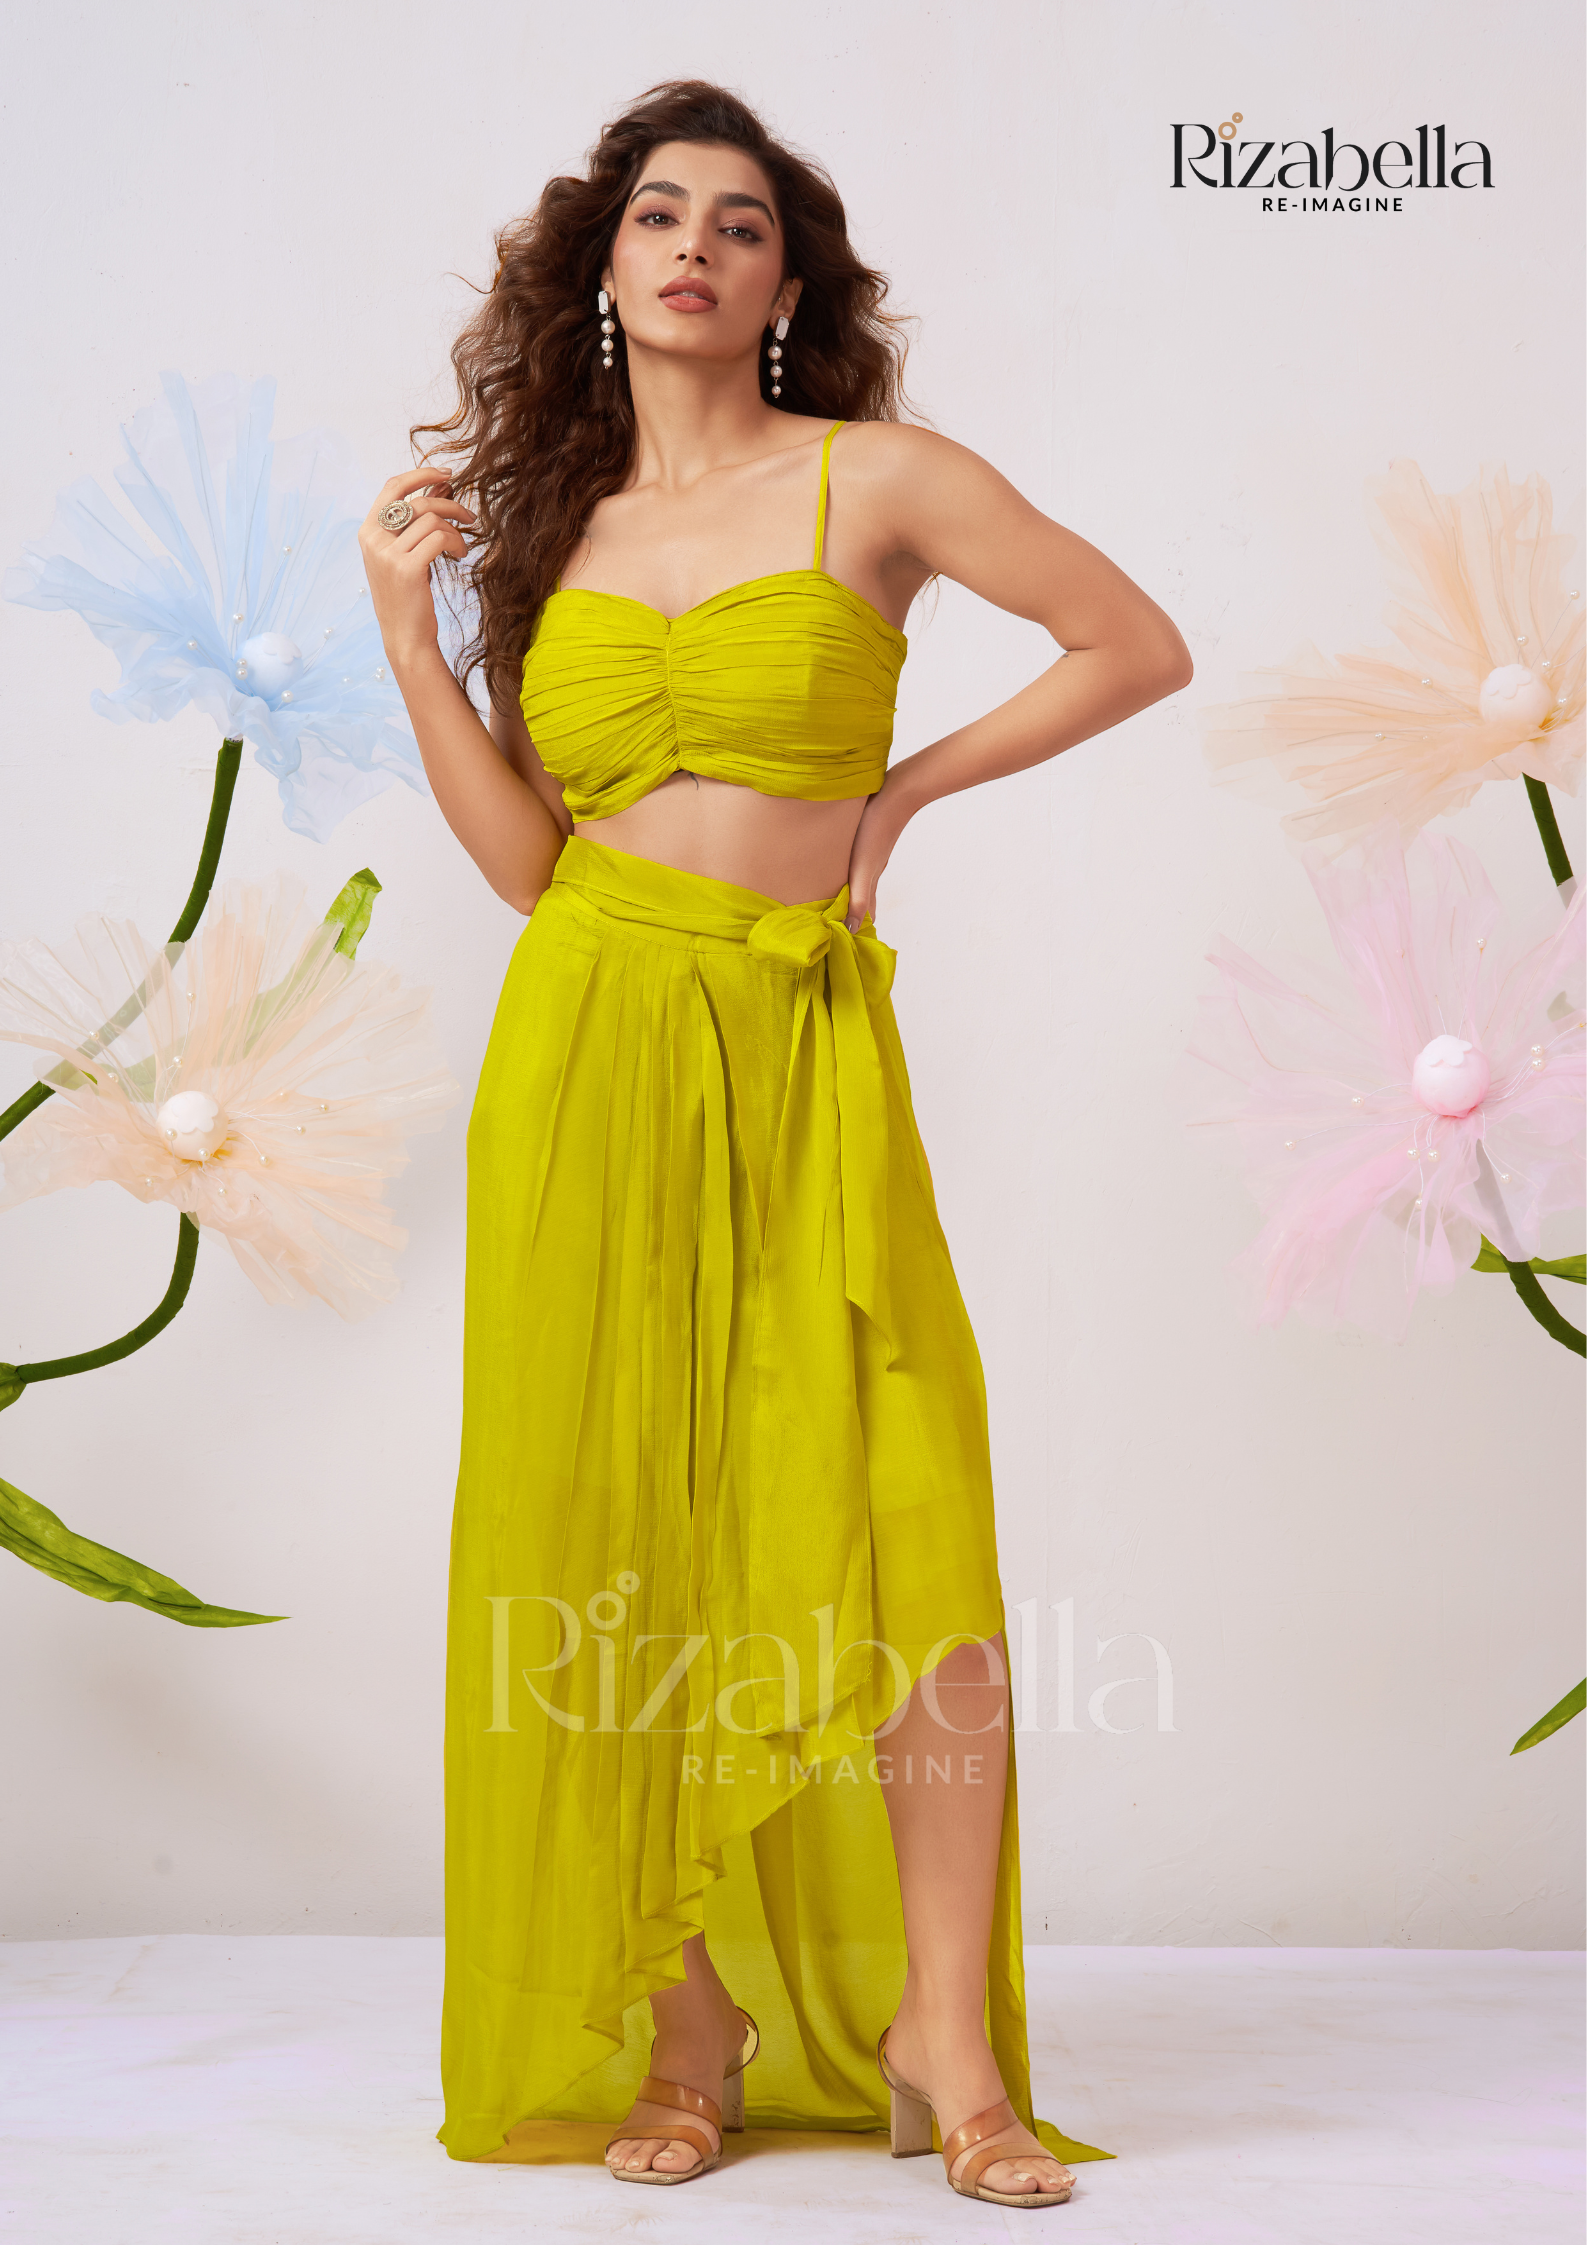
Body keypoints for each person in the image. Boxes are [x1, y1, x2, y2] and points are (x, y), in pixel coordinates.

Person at [360, 78, 1190, 2211]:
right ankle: (687, 2019)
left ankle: (944, 2036)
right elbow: (530, 870)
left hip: (799, 1043)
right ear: (602, 267)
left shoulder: (876, 477)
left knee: (906, 1528)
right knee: (621, 1529)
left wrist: (900, 792)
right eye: (660, 214)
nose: (696, 248)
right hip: (589, 1044)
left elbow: (1134, 642)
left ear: (788, 285)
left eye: (741, 223)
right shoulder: (548, 537)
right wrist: (407, 640)